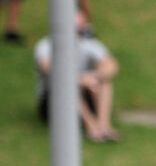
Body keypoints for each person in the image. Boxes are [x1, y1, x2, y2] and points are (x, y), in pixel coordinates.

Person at [34, 9, 119, 142]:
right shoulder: (46, 45)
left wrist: (95, 76)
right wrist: (80, 80)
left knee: (105, 82)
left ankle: (104, 126)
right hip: (52, 102)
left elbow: (111, 65)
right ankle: (91, 127)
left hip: (85, 93)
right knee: (66, 87)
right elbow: (48, 69)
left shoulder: (88, 43)